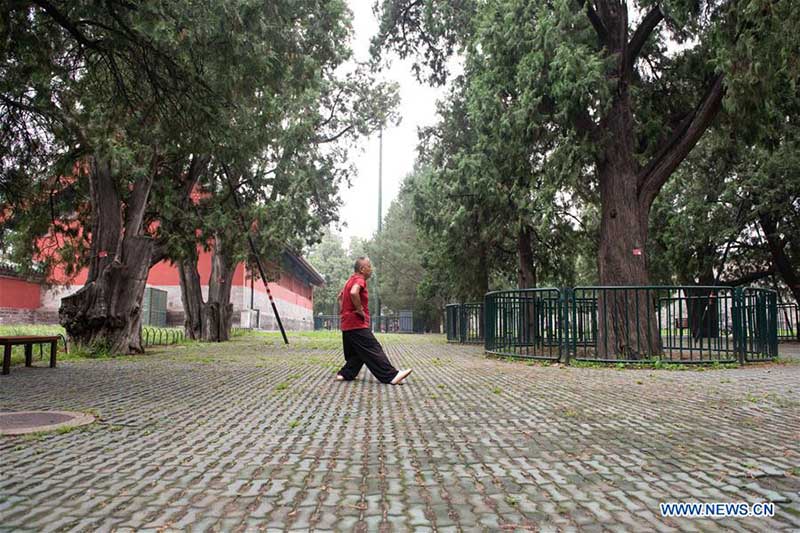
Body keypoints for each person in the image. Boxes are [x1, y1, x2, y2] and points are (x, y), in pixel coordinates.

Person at [335, 257, 412, 385]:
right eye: (369, 266)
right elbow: (354, 293)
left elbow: (339, 297)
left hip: (347, 324)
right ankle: (391, 376)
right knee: (373, 348)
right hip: (357, 324)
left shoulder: (349, 281)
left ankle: (345, 374)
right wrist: (359, 310)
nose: (371, 269)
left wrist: (344, 312)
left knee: (359, 352)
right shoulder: (360, 280)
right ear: (362, 269)